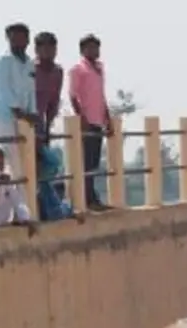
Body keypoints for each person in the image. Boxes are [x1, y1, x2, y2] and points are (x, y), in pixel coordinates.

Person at [67, 33, 111, 211]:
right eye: (90, 47)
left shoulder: (99, 68)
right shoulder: (77, 70)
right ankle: (86, 198)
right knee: (85, 161)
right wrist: (81, 117)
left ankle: (92, 197)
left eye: (96, 47)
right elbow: (73, 95)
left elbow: (101, 95)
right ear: (82, 50)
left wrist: (108, 117)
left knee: (94, 161)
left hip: (98, 119)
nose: (94, 51)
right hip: (86, 120)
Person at [0, 22, 38, 176]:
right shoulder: (4, 60)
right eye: (13, 38)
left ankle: (24, 196)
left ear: (28, 40)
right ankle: (18, 197)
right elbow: (2, 88)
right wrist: (18, 111)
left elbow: (31, 90)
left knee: (26, 156)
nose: (17, 42)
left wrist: (32, 112)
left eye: (21, 38)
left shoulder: (30, 63)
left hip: (24, 117)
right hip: (4, 115)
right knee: (12, 156)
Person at [0, 143, 33, 230]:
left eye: (1, 162)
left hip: (3, 222)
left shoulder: (6, 176)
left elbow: (17, 200)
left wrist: (25, 218)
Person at [32, 31, 60, 139]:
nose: (49, 51)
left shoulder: (57, 72)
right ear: (37, 50)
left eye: (52, 47)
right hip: (25, 122)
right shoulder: (30, 69)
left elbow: (54, 101)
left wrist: (48, 126)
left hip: (42, 124)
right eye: (45, 47)